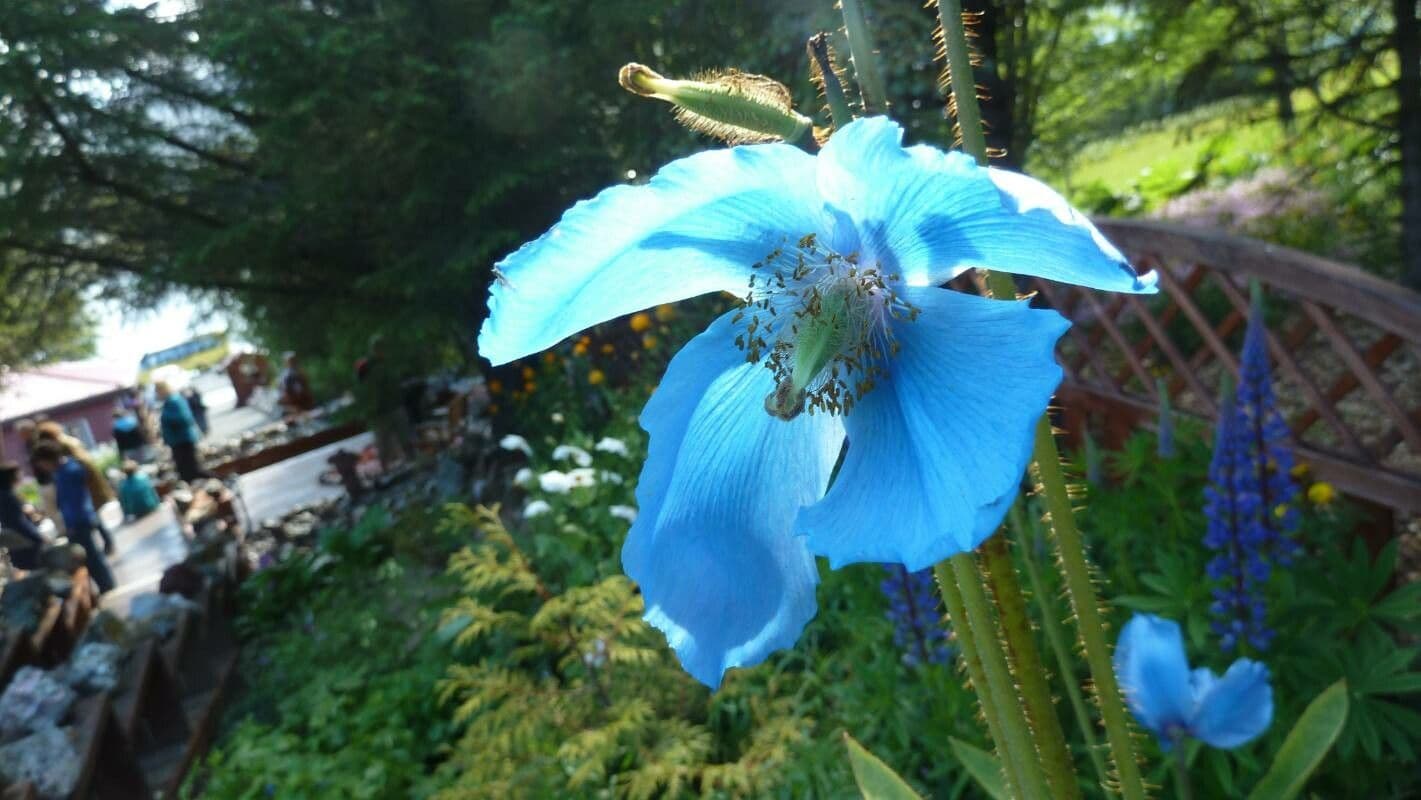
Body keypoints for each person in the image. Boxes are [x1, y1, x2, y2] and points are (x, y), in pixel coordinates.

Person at [29, 442, 116, 593]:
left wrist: (70, 526)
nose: (43, 468)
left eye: (42, 463)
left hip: (79, 520)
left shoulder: (68, 472)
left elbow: (73, 503)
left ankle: (106, 585)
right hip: (80, 518)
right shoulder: (66, 469)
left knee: (91, 557)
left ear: (49, 459)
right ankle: (104, 585)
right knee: (89, 556)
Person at [34, 421, 115, 555]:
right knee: (93, 515)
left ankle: (107, 542)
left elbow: (80, 462)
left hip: (85, 483)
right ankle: (106, 542)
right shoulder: (65, 442)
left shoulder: (63, 448)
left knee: (92, 517)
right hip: (86, 482)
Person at [356, 336, 411, 468]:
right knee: (383, 444)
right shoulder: (369, 368)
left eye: (383, 348)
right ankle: (385, 469)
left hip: (395, 406)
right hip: (380, 413)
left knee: (405, 438)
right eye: (379, 348)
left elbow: (394, 384)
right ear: (374, 350)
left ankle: (411, 461)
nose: (382, 351)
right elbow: (370, 391)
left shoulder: (387, 364)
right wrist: (374, 410)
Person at [156, 381, 208, 482]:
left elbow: (184, 418)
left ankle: (219, 482)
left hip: (183, 440)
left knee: (192, 470)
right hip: (177, 440)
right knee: (186, 471)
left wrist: (166, 419)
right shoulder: (170, 401)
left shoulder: (174, 400)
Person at [0, 462, 45, 571]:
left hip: (16, 543)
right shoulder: (8, 497)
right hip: (23, 542)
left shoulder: (5, 494)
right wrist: (37, 537)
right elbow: (18, 522)